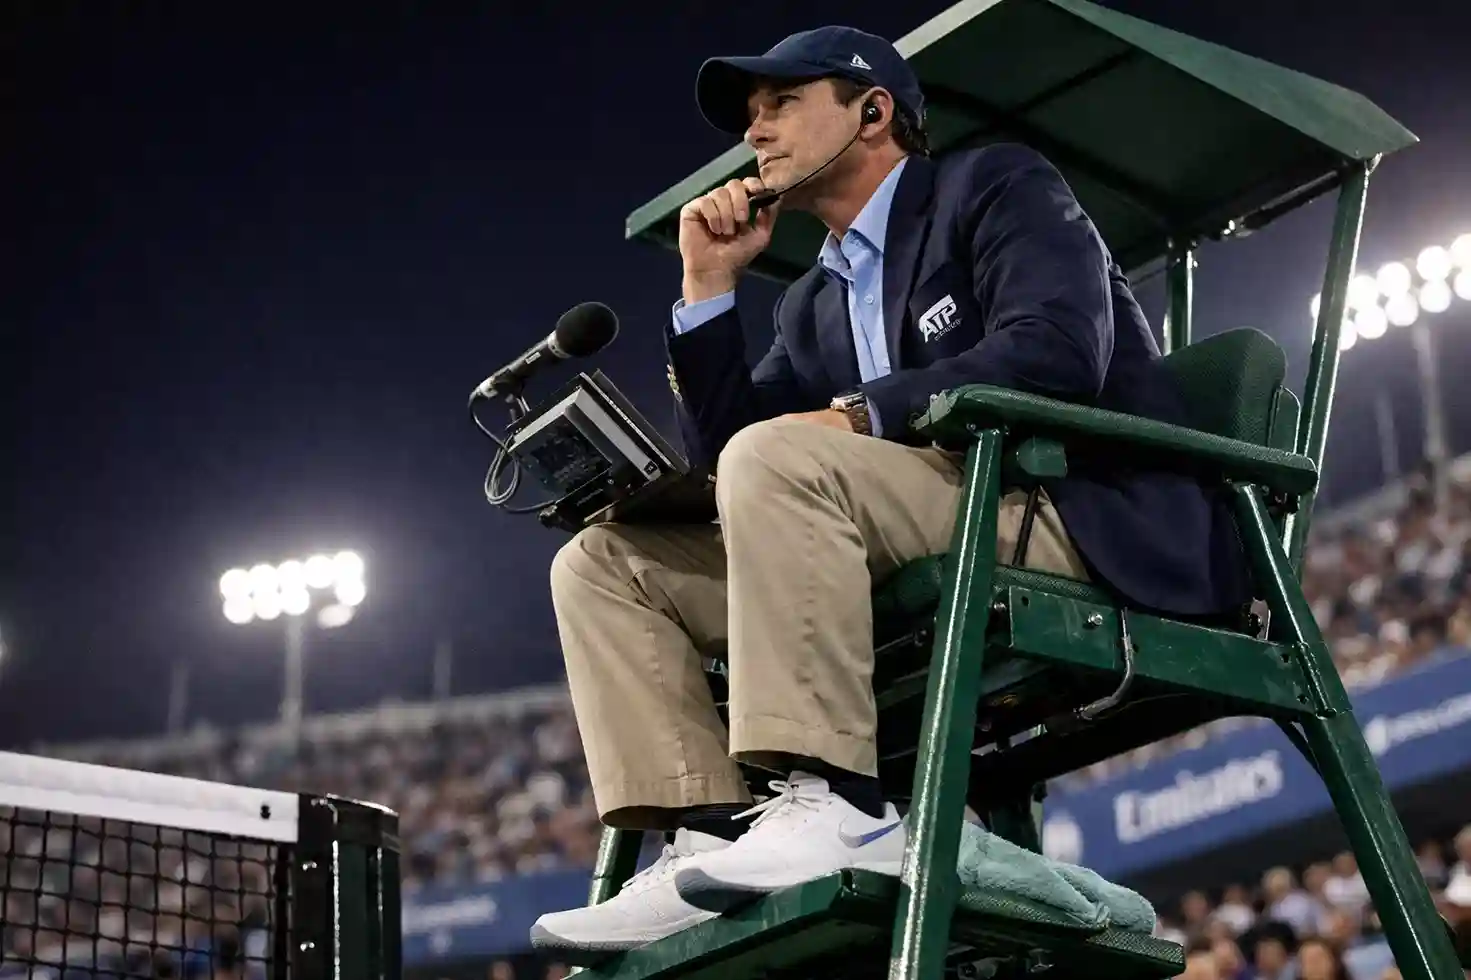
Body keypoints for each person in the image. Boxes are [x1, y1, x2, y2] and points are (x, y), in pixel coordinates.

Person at [532, 24, 1251, 958]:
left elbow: (1059, 349)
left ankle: (844, 804)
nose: (756, 132)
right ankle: (706, 831)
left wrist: (858, 416)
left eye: (781, 103)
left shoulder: (993, 183)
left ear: (873, 111)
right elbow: (726, 467)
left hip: (1061, 509)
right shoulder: (812, 300)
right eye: (752, 115)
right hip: (912, 530)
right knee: (602, 563)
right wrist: (706, 288)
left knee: (784, 452)